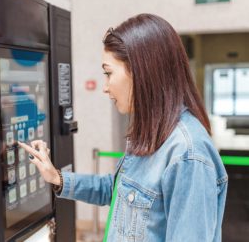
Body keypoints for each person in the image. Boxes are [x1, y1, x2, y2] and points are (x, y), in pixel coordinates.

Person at [18, 13, 228, 242]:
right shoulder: (152, 133)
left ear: (141, 72)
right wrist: (57, 177)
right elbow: (117, 190)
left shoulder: (188, 155)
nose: (105, 87)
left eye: (108, 73)